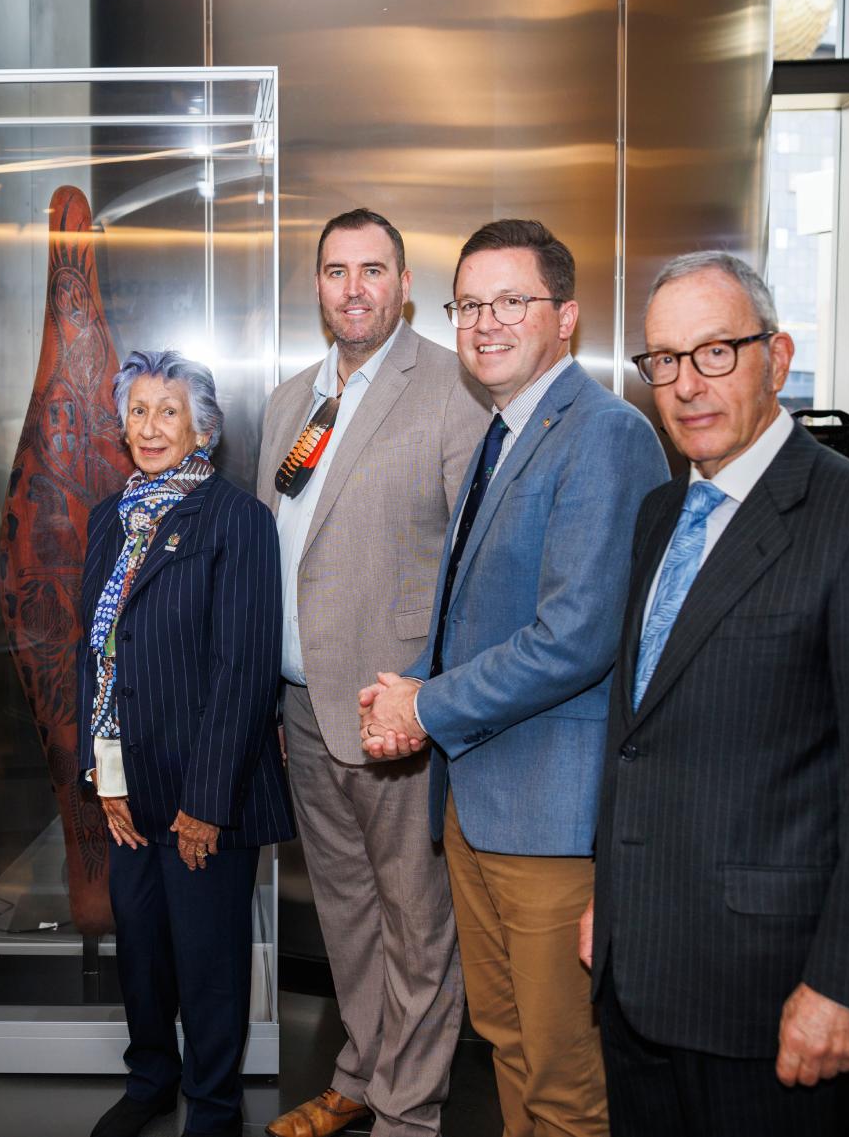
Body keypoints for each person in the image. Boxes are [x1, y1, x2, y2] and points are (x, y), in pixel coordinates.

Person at [584, 252, 849, 1137]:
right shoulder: (661, 513)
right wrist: (612, 894)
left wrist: (844, 984)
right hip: (638, 969)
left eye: (716, 352)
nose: (686, 383)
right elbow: (638, 726)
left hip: (768, 990)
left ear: (778, 358)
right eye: (664, 360)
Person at [360, 219, 669, 1137]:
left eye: (511, 301)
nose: (485, 322)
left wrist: (425, 705)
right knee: (506, 1038)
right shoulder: (503, 432)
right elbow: (470, 609)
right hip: (480, 802)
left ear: (565, 317)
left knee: (566, 1075)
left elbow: (575, 636)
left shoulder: (604, 433)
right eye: (469, 304)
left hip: (552, 818)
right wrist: (410, 685)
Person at [256, 209, 487, 1137]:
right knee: (346, 907)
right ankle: (360, 1070)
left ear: (402, 284)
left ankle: (409, 1109)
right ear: (316, 286)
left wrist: (428, 695)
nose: (353, 287)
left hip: (392, 706)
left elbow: (472, 561)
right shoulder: (290, 400)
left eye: (373, 269)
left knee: (415, 917)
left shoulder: (451, 387)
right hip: (301, 703)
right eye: (335, 270)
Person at [81, 350, 293, 1137]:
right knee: (140, 946)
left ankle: (212, 1105)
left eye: (168, 411)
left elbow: (244, 671)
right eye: (138, 410)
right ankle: (150, 1079)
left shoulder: (239, 521)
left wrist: (206, 805)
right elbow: (94, 656)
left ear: (203, 428)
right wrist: (102, 775)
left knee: (207, 959)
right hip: (128, 787)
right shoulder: (113, 517)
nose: (150, 426)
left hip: (209, 789)